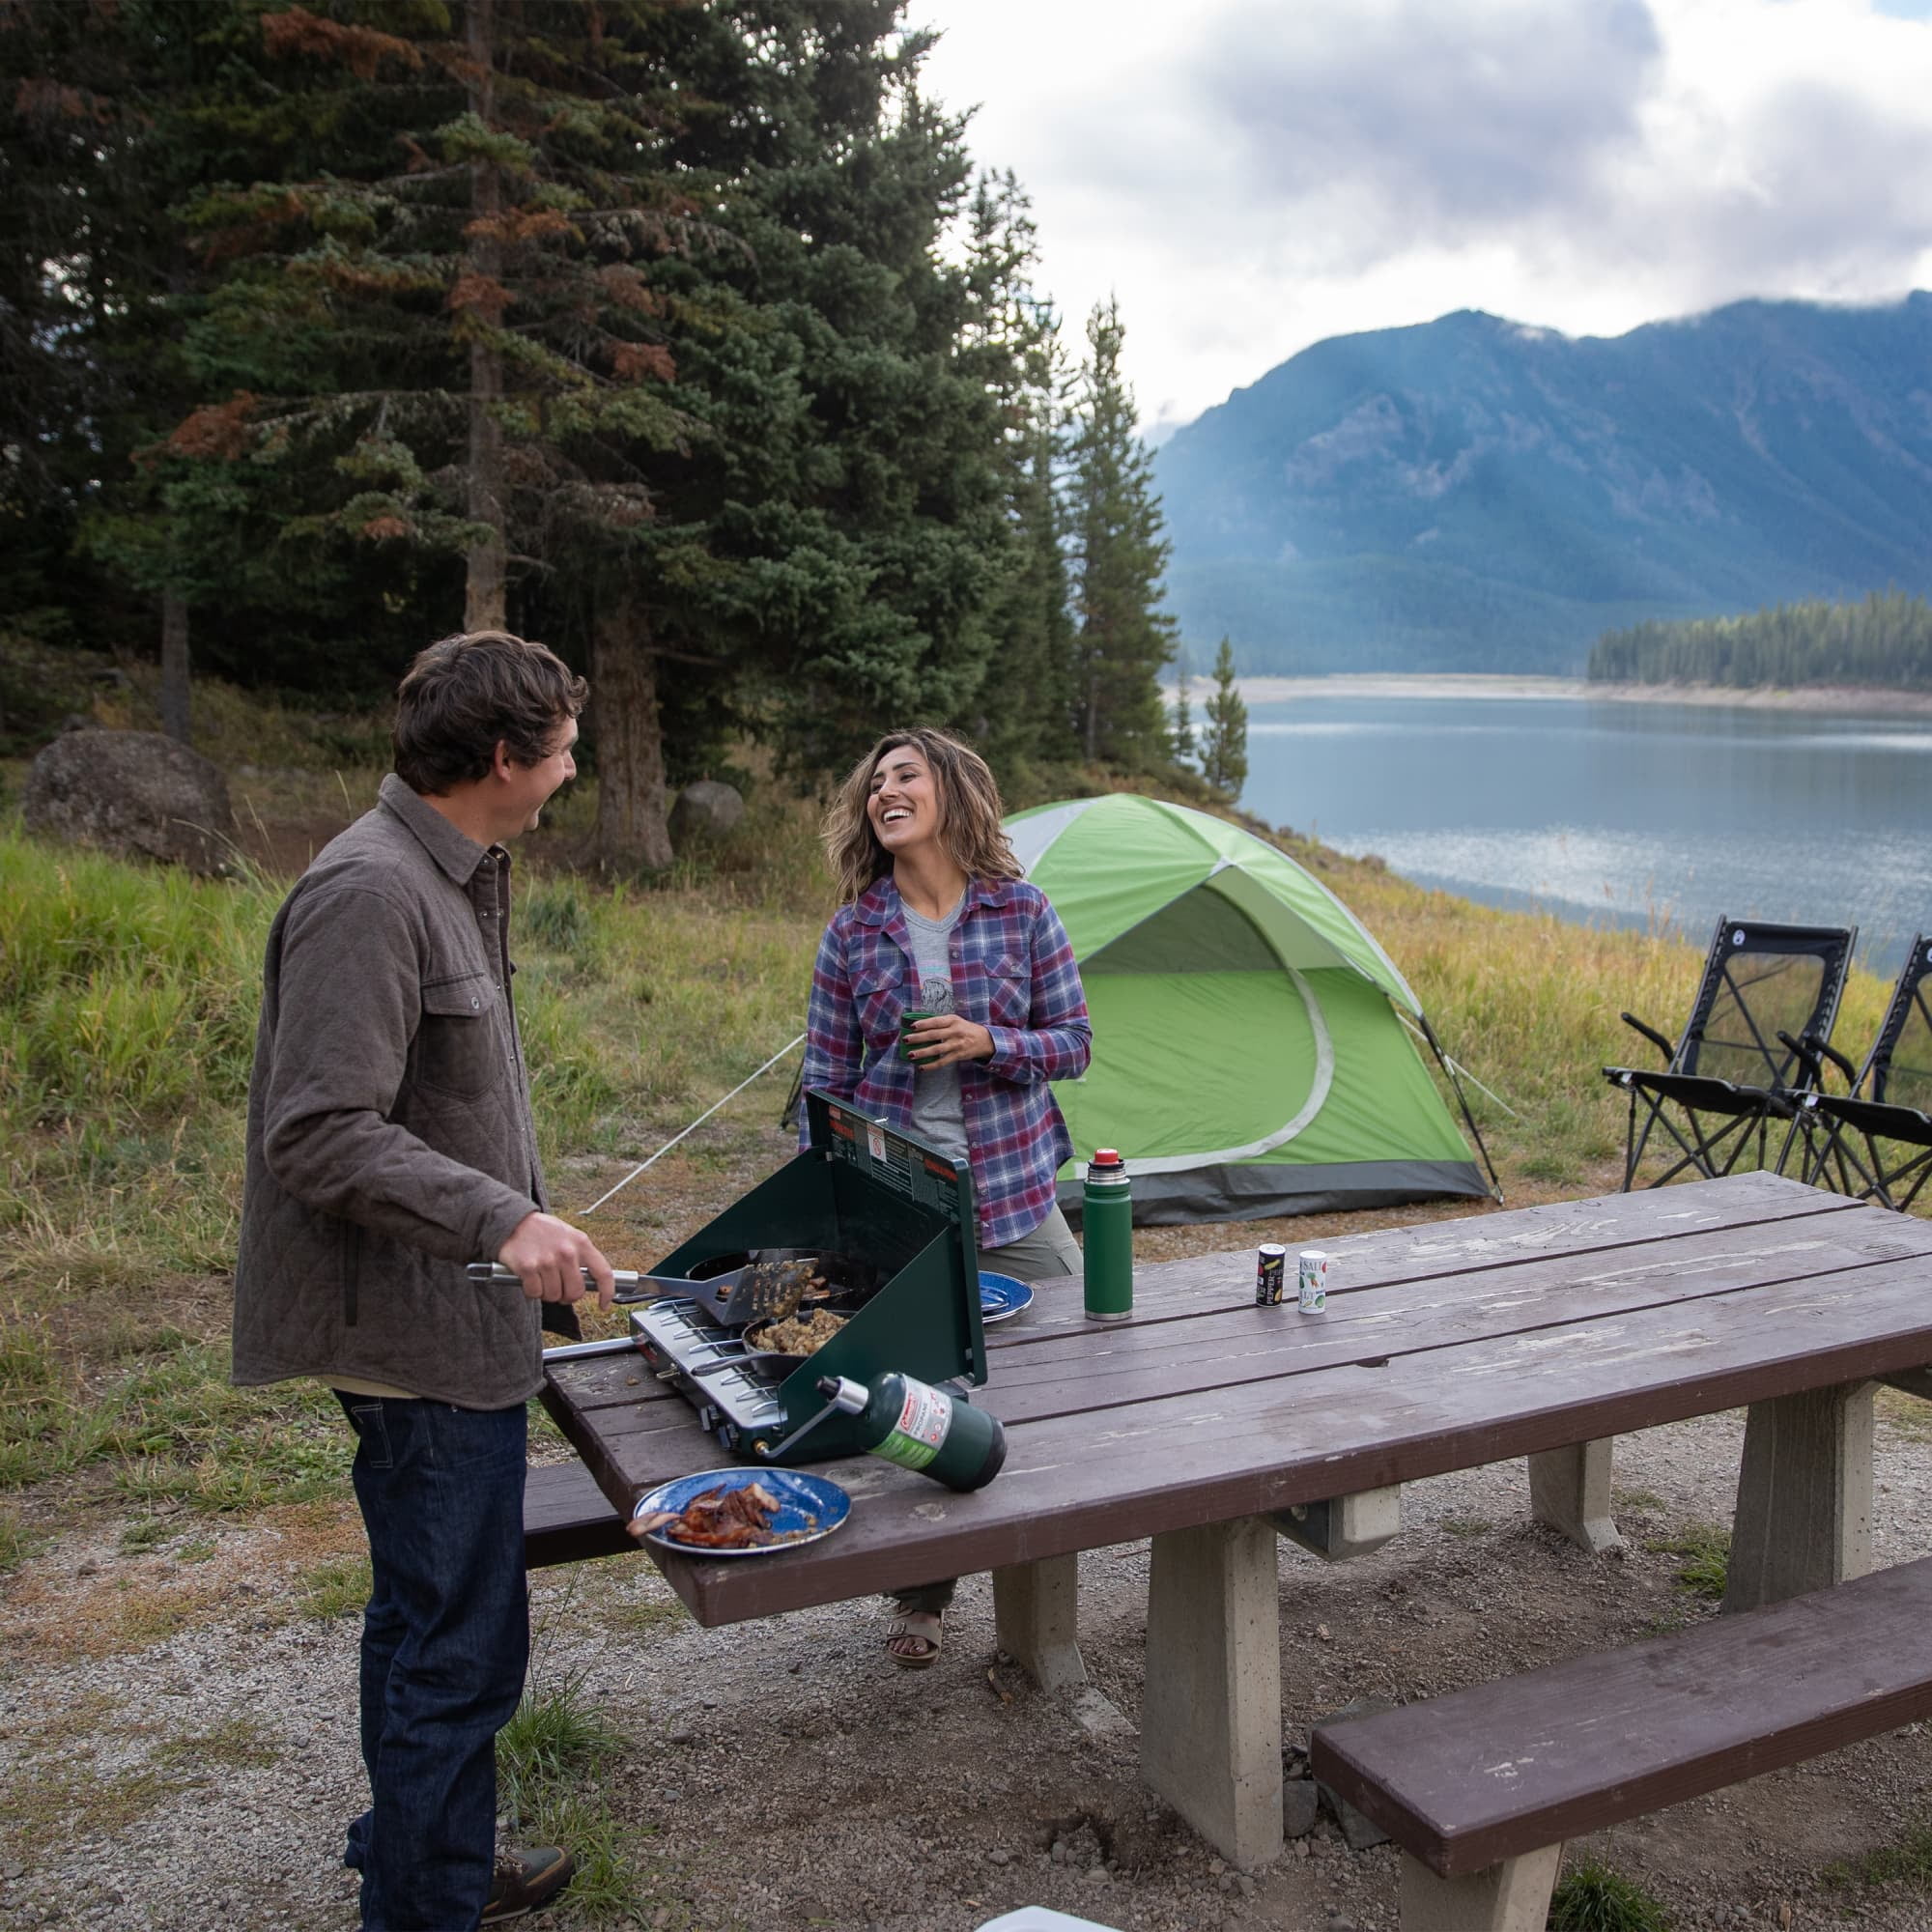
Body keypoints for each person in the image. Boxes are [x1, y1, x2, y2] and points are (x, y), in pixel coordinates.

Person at [232, 630, 617, 1931]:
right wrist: (503, 1218)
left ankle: (425, 1856)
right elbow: (317, 1131)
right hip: (415, 1338)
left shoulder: (451, 872)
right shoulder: (370, 890)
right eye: (564, 748)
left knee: (421, 1622)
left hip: (457, 1318)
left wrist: (523, 1223)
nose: (574, 768)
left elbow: (433, 1107)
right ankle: (428, 1902)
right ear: (505, 756)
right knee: (458, 1649)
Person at [802, 726, 1092, 1668]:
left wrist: (988, 1042)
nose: (885, 790)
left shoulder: (1020, 910)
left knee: (1084, 1357)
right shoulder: (854, 932)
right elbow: (823, 1082)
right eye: (874, 781)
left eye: (906, 775)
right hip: (905, 1206)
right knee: (922, 1402)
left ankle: (1054, 1541)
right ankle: (923, 1594)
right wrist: (831, 1199)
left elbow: (1075, 1042)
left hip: (1013, 1193)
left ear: (953, 794)